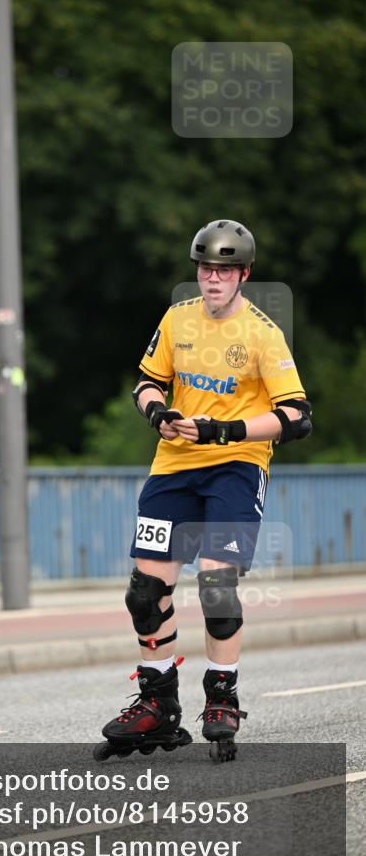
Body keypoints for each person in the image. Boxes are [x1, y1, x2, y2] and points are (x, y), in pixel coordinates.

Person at [99, 220, 312, 762]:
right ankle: (157, 703)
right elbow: (147, 381)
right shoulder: (177, 319)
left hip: (236, 466)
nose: (212, 279)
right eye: (205, 268)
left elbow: (296, 416)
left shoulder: (263, 333)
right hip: (174, 465)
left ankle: (222, 695)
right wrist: (159, 414)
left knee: (216, 587)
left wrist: (226, 431)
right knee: (144, 594)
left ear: (243, 274)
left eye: (223, 270)